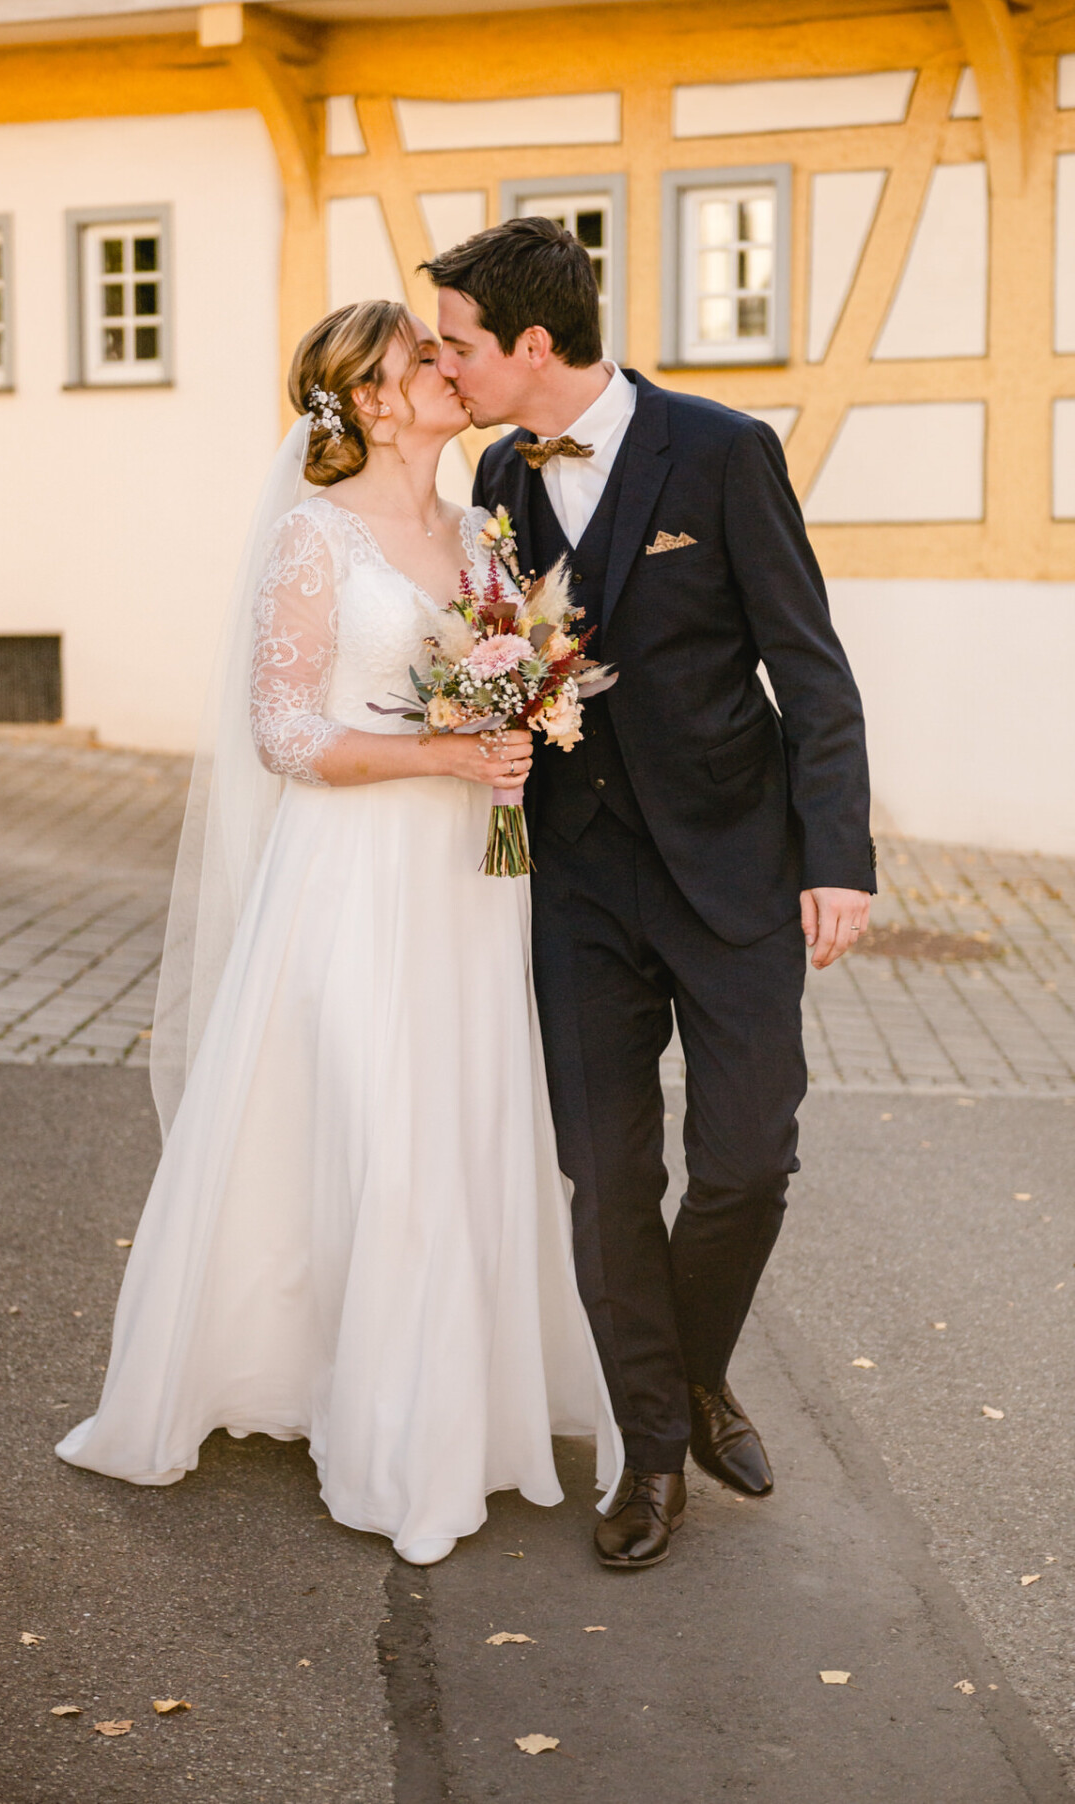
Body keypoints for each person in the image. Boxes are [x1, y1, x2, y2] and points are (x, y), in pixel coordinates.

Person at [56, 299, 622, 1567]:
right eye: (423, 357)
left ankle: (460, 1410)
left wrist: (517, 734)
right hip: (359, 875)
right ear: (368, 399)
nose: (446, 367)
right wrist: (445, 747)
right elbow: (283, 733)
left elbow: (514, 672)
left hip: (472, 876)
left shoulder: (480, 528)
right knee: (378, 1119)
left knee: (462, 1109)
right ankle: (385, 1429)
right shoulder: (316, 539)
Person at [424, 218, 876, 1570]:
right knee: (605, 1178)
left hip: (735, 867)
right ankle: (653, 1453)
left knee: (746, 1163)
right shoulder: (497, 473)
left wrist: (837, 853)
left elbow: (812, 666)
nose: (445, 368)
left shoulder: (725, 454)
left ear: (533, 344)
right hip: (573, 883)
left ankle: (688, 1368)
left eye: (458, 345)